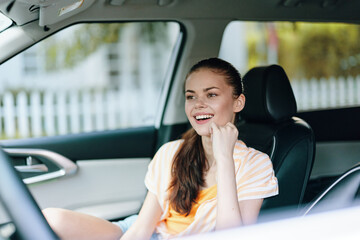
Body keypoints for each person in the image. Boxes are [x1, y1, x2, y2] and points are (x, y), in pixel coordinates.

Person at [43, 57, 278, 240]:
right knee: (49, 220)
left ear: (238, 102)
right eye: (191, 96)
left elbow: (232, 236)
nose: (198, 105)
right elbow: (142, 229)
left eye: (211, 94)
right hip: (144, 231)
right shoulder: (171, 153)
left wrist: (225, 158)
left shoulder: (255, 165)